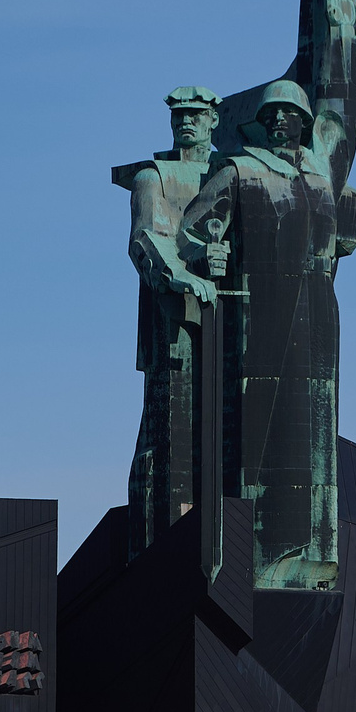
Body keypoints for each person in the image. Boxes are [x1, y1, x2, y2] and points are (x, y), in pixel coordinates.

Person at [177, 79, 356, 590]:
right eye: (271, 114)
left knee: (316, 431)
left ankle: (314, 551)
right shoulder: (240, 170)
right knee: (263, 431)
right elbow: (191, 233)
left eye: (289, 113)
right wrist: (207, 253)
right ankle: (263, 553)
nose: (280, 120)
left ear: (303, 122)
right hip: (260, 314)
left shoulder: (319, 179)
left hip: (318, 314)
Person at [113, 87, 222, 549]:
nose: (186, 121)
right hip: (172, 317)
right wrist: (182, 276)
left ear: (214, 119)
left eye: (195, 114)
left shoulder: (231, 172)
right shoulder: (152, 176)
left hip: (228, 319)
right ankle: (163, 537)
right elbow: (146, 238)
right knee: (170, 425)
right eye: (179, 115)